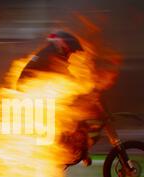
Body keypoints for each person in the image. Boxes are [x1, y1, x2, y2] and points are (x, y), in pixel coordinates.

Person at [18, 31, 101, 167]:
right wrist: (86, 88)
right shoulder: (53, 54)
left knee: (72, 114)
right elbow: (67, 77)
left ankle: (77, 152)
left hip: (33, 92)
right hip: (31, 94)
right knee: (67, 115)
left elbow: (67, 77)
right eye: (71, 51)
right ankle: (61, 154)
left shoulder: (52, 52)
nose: (71, 55)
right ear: (64, 45)